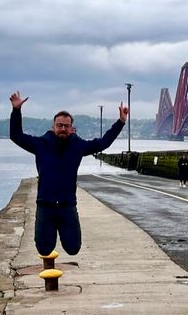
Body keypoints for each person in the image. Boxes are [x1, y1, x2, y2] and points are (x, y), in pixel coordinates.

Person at [9, 91, 129, 256]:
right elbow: (16, 136)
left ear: (71, 128)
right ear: (53, 127)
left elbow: (103, 143)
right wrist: (16, 111)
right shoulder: (41, 144)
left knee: (73, 249)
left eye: (66, 126)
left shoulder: (77, 146)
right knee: (44, 249)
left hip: (67, 207)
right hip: (45, 206)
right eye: (59, 125)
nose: (63, 129)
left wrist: (121, 122)